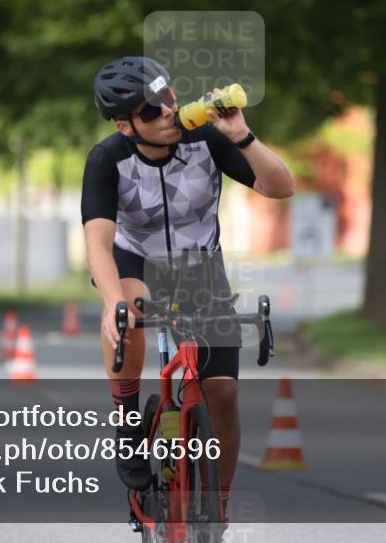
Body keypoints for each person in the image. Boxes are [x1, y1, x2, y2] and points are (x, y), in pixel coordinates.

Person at [80, 56, 294, 518]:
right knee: (130, 309)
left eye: (169, 97)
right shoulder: (107, 158)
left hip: (200, 268)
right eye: (151, 110)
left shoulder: (206, 140)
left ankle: (216, 506)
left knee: (224, 395)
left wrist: (242, 136)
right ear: (125, 126)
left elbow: (280, 187)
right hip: (134, 260)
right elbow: (97, 240)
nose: (168, 111)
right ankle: (129, 423)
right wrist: (112, 301)